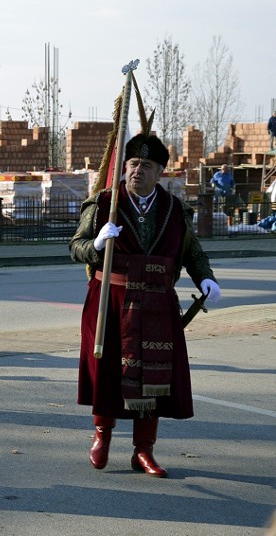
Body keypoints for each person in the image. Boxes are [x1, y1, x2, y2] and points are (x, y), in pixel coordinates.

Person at [70, 133, 222, 478]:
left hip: (157, 303)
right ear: (124, 167)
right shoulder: (103, 203)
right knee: (108, 370)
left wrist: (206, 278)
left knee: (154, 375)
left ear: (160, 173)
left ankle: (144, 450)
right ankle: (102, 435)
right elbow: (76, 246)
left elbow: (192, 254)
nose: (138, 171)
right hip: (110, 300)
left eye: (146, 165)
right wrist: (96, 242)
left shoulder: (175, 210)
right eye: (133, 164)